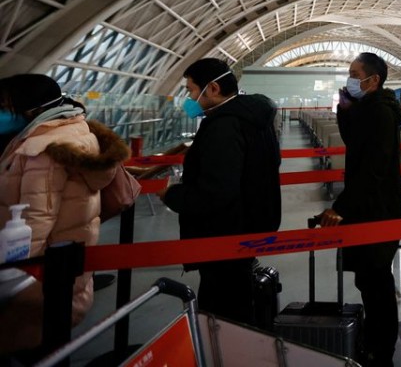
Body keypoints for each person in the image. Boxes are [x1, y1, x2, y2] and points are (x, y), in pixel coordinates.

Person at [0, 74, 128, 356]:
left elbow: (35, 221)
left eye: (5, 105)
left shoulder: (43, 147)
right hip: (66, 268)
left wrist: (9, 274)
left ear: (30, 108)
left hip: (39, 277)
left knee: (27, 347)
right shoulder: (72, 130)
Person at [159, 58, 282, 324]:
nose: (190, 98)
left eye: (192, 90)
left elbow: (215, 192)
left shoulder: (223, 126)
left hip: (224, 233)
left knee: (222, 309)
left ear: (213, 88)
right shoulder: (255, 117)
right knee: (238, 298)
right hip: (248, 225)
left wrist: (171, 195)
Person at [318, 52, 401, 367]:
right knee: (369, 280)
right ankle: (375, 338)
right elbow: (354, 142)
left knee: (377, 280)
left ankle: (383, 351)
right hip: (366, 206)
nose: (350, 79)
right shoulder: (368, 109)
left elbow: (374, 168)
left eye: (355, 74)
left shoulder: (380, 113)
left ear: (373, 80)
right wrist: (344, 111)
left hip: (376, 209)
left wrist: (341, 207)